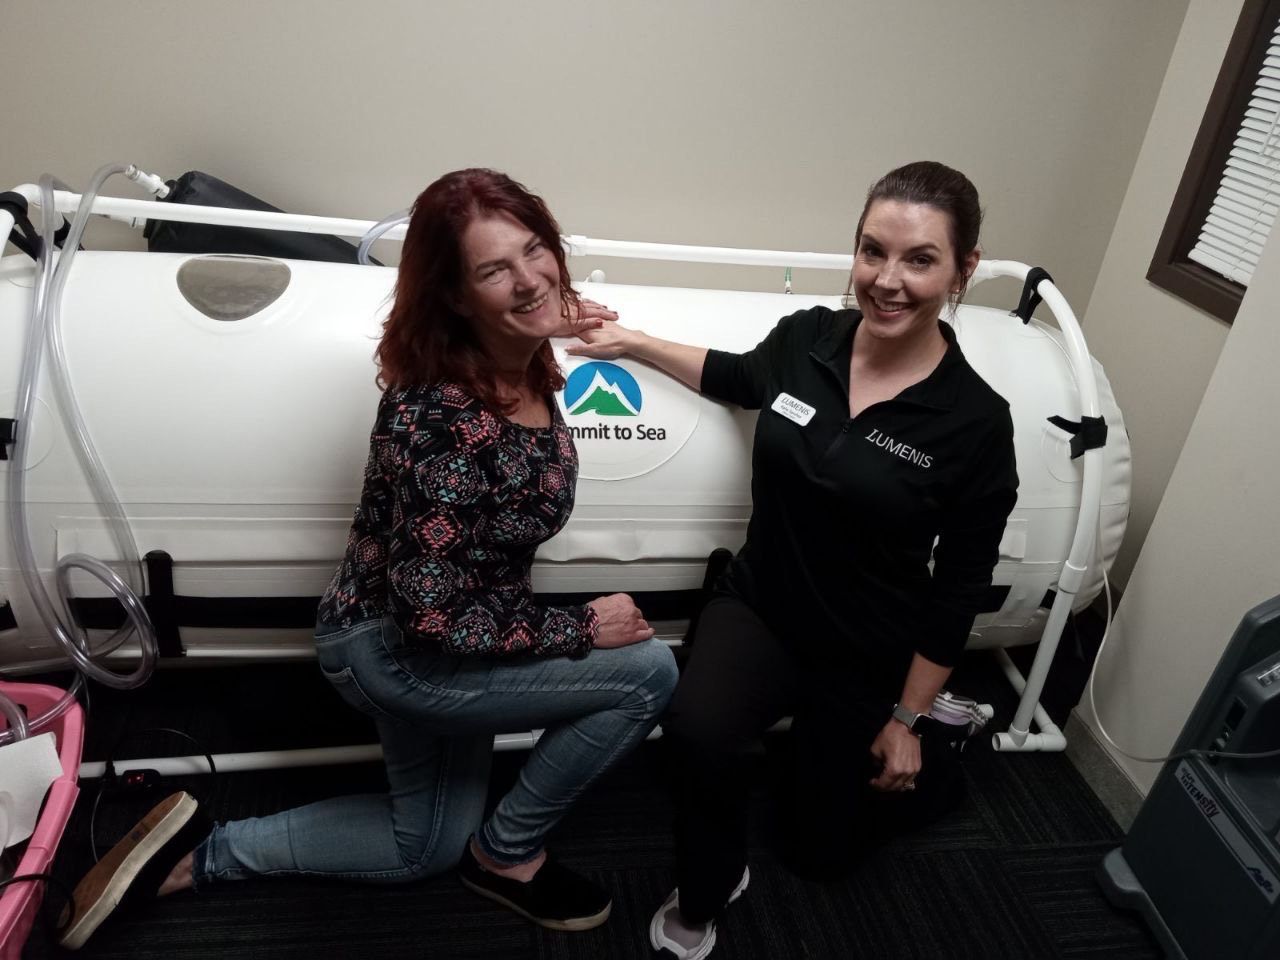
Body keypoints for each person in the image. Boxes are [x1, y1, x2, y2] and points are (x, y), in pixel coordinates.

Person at [58, 168, 679, 950]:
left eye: (535, 252)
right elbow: (430, 614)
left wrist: (548, 315)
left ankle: (195, 857)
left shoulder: (519, 360)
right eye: (494, 269)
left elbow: (533, 318)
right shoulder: (442, 418)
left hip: (457, 636)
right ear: (455, 296)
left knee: (419, 847)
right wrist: (578, 626)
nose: (529, 278)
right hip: (407, 653)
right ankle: (508, 854)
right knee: (649, 674)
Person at [566, 160, 1019, 959]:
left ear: (964, 269)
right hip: (763, 603)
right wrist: (630, 339)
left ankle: (940, 743)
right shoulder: (807, 338)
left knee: (819, 858)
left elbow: (959, 588)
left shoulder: (976, 421)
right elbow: (736, 376)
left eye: (920, 260)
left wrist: (906, 718)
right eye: (872, 251)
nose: (887, 280)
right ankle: (710, 881)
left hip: (867, 643)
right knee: (697, 736)